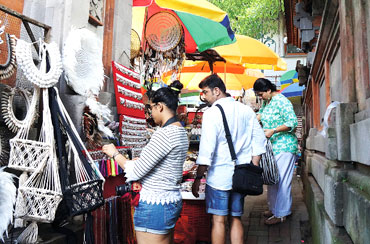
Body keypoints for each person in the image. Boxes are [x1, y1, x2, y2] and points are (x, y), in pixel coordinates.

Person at [102, 80, 189, 244]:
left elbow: (135, 171)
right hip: (170, 201)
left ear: (160, 107)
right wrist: (141, 161)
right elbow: (163, 163)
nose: (150, 113)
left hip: (155, 205)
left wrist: (115, 154)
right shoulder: (180, 131)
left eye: (150, 108)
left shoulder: (164, 134)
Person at [191, 74, 266, 244]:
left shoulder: (211, 113)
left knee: (218, 220)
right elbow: (259, 140)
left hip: (219, 177)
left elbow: (206, 151)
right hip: (241, 175)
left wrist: (198, 177)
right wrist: (252, 166)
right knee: (236, 218)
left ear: (217, 91)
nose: (204, 96)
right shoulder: (246, 110)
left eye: (205, 92)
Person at [253, 78, 298, 225]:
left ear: (268, 90)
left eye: (261, 94)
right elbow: (260, 115)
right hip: (272, 147)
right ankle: (274, 209)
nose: (260, 97)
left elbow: (292, 122)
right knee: (272, 179)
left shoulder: (282, 101)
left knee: (283, 181)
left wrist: (273, 130)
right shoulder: (267, 102)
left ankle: (282, 213)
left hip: (284, 145)